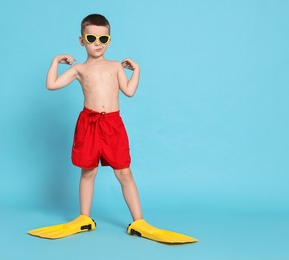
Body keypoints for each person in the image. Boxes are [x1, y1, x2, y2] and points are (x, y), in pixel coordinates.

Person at [28, 14, 197, 244]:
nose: (98, 43)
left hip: (112, 125)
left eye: (103, 38)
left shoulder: (116, 66)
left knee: (124, 172)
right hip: (88, 123)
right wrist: (55, 62)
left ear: (109, 40)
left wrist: (136, 70)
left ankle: (139, 221)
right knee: (88, 171)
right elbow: (51, 85)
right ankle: (84, 218)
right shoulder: (79, 69)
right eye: (91, 37)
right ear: (81, 41)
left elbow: (129, 91)